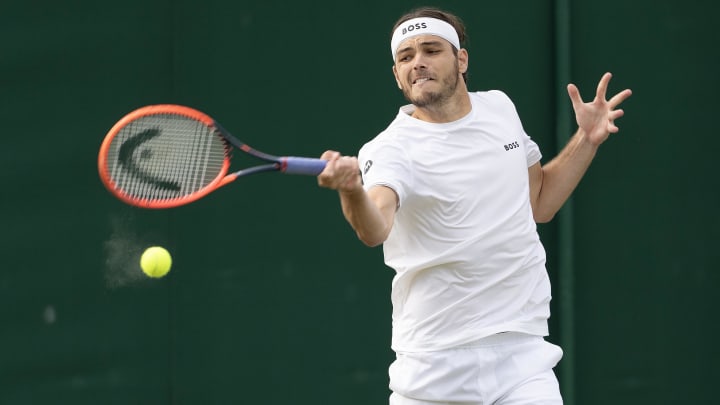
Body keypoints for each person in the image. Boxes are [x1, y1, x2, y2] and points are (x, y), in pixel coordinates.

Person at [318, 6, 632, 405]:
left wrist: (586, 139)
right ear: (397, 75)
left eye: (431, 50)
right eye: (406, 57)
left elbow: (540, 202)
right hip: (433, 369)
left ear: (461, 59)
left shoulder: (500, 109)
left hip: (523, 359)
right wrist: (351, 190)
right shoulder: (390, 150)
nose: (418, 63)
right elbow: (375, 228)